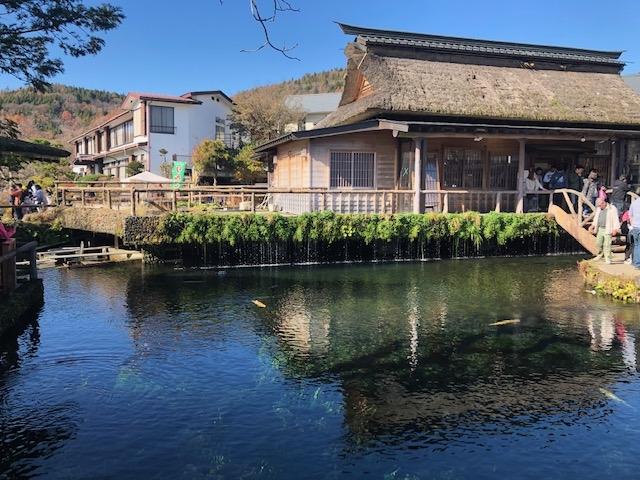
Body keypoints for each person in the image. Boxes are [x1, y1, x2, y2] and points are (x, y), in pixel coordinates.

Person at [590, 197, 620, 264]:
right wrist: (593, 225)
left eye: (600, 205)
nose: (599, 207)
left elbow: (615, 219)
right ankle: (600, 255)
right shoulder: (599, 209)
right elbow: (596, 218)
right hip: (600, 228)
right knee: (598, 243)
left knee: (607, 244)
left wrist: (615, 229)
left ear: (603, 203)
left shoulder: (612, 208)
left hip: (608, 228)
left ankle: (607, 258)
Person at [628, 194, 640, 268]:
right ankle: (637, 263)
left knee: (636, 245)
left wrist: (632, 225)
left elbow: (630, 215)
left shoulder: (634, 203)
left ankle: (635, 262)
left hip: (635, 227)